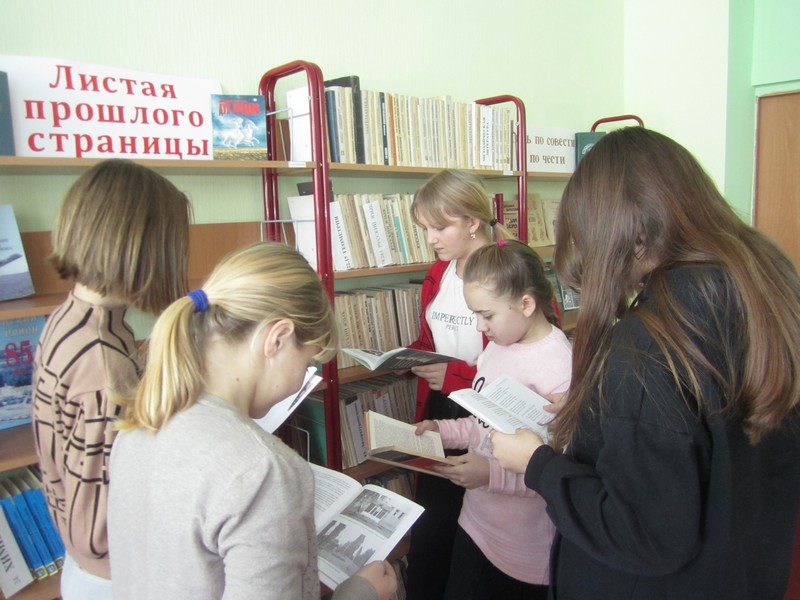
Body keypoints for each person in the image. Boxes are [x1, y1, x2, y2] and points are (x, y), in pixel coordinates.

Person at [490, 127, 800, 599]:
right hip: (744, 569)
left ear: (630, 233)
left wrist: (539, 466)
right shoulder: (766, 289)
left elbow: (645, 534)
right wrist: (601, 413)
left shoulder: (651, 340)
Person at [106, 242, 397, 600]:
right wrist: (359, 594)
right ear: (277, 339)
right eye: (308, 364)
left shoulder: (140, 423)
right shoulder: (263, 471)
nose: (301, 381)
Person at [31, 159, 192, 599]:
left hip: (89, 570)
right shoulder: (103, 367)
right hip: (116, 579)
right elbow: (97, 531)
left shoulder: (72, 318)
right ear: (146, 252)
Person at [415, 239, 572, 600]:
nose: (479, 326)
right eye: (474, 314)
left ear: (526, 304)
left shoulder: (559, 367)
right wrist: (442, 431)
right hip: (475, 524)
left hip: (523, 553)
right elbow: (483, 423)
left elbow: (557, 472)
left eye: (487, 315)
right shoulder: (497, 348)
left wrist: (490, 474)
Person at [404, 169, 514, 599]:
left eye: (440, 227)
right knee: (434, 523)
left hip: (486, 415)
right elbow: (433, 337)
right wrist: (411, 356)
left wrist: (453, 376)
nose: (431, 238)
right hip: (441, 410)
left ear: (472, 221)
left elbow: (521, 369)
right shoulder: (440, 270)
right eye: (425, 228)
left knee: (475, 528)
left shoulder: (509, 269)